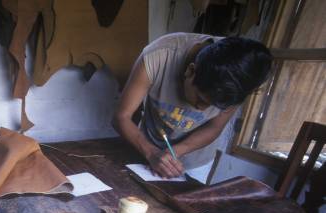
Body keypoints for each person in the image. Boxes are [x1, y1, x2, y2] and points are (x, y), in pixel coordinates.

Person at [114, 33, 272, 178]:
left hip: (197, 161)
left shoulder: (239, 79)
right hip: (145, 148)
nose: (201, 109)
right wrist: (151, 153)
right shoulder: (159, 56)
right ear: (191, 71)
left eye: (213, 106)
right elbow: (122, 117)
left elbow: (214, 128)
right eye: (200, 99)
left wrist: (176, 151)